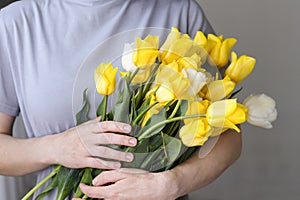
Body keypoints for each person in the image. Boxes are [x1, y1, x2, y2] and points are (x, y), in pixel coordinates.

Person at [0, 0, 242, 199]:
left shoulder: (179, 11)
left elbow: (229, 136)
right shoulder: (14, 24)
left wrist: (172, 183)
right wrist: (55, 147)